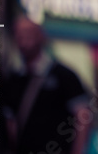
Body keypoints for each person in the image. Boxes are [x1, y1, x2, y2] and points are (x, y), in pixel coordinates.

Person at [6, 16, 93, 154]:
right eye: (19, 35)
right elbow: (10, 122)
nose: (23, 40)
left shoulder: (64, 76)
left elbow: (83, 117)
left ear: (41, 36)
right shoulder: (14, 78)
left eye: (28, 34)